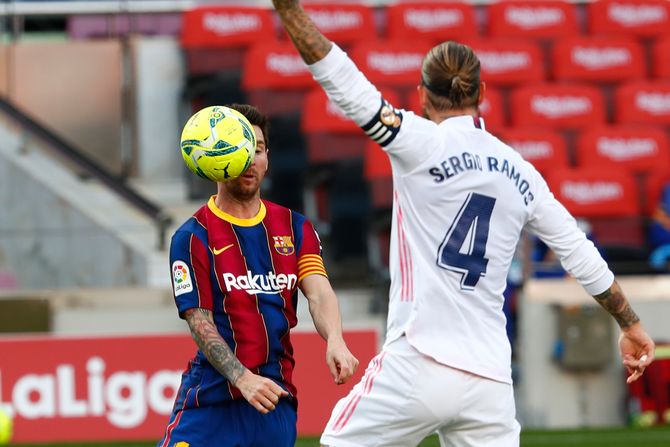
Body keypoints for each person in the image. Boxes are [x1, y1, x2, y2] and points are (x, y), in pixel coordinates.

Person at [271, 2, 656, 446]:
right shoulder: (521, 172)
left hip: (420, 359)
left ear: (421, 94)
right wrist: (628, 324)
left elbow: (344, 83)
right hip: (489, 381)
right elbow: (579, 252)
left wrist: (287, 9)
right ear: (483, 92)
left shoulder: (417, 142)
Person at [157, 103, 359, 447]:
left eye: (259, 149)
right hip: (210, 400)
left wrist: (336, 340)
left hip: (273, 401)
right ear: (218, 159)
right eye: (240, 148)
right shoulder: (192, 236)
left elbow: (318, 291)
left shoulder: (294, 228)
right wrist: (241, 378)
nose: (250, 158)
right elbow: (199, 321)